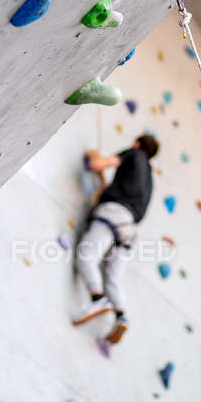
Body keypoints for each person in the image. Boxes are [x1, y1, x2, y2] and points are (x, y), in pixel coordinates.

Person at [71, 134, 159, 347]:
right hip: (129, 228)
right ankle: (121, 316)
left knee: (86, 257)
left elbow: (98, 164)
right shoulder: (150, 178)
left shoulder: (133, 154)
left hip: (112, 213)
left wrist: (94, 161)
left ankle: (97, 298)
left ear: (137, 144)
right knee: (113, 277)